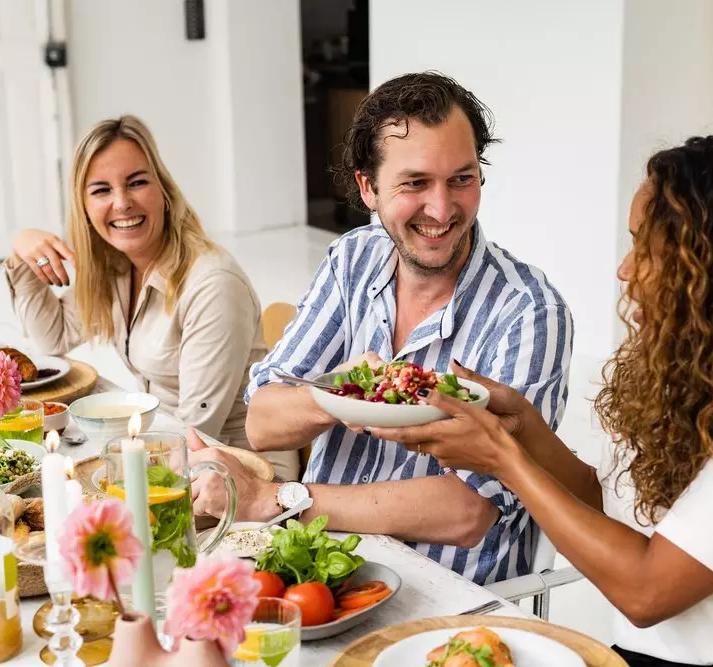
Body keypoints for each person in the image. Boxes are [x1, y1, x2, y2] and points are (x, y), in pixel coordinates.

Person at [367, 128, 713, 666]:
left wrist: (504, 461)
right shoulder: (705, 373)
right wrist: (521, 426)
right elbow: (603, 503)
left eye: (645, 246)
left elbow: (646, 592)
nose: (625, 270)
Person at [188, 71, 573, 584]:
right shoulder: (354, 258)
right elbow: (263, 422)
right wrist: (339, 394)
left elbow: (468, 512)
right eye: (416, 183)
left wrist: (278, 500)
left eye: (462, 178)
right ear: (368, 188)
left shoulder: (529, 312)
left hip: (445, 602)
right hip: (316, 574)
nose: (442, 209)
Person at [6, 115, 299, 481]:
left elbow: (195, 432)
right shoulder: (115, 267)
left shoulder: (212, 283)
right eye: (101, 190)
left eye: (137, 182)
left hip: (238, 472)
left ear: (163, 189)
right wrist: (22, 251)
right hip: (166, 445)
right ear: (83, 207)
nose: (122, 203)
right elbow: (52, 338)